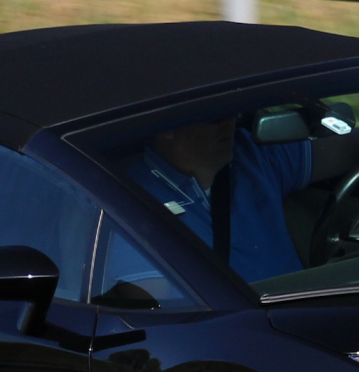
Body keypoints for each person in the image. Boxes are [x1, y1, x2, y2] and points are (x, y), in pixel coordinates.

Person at [129, 114, 315, 283]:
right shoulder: (132, 199)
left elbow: (337, 143)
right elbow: (157, 302)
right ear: (167, 127)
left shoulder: (252, 152)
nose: (230, 122)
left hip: (311, 307)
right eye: (215, 117)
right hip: (239, 319)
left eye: (233, 112)